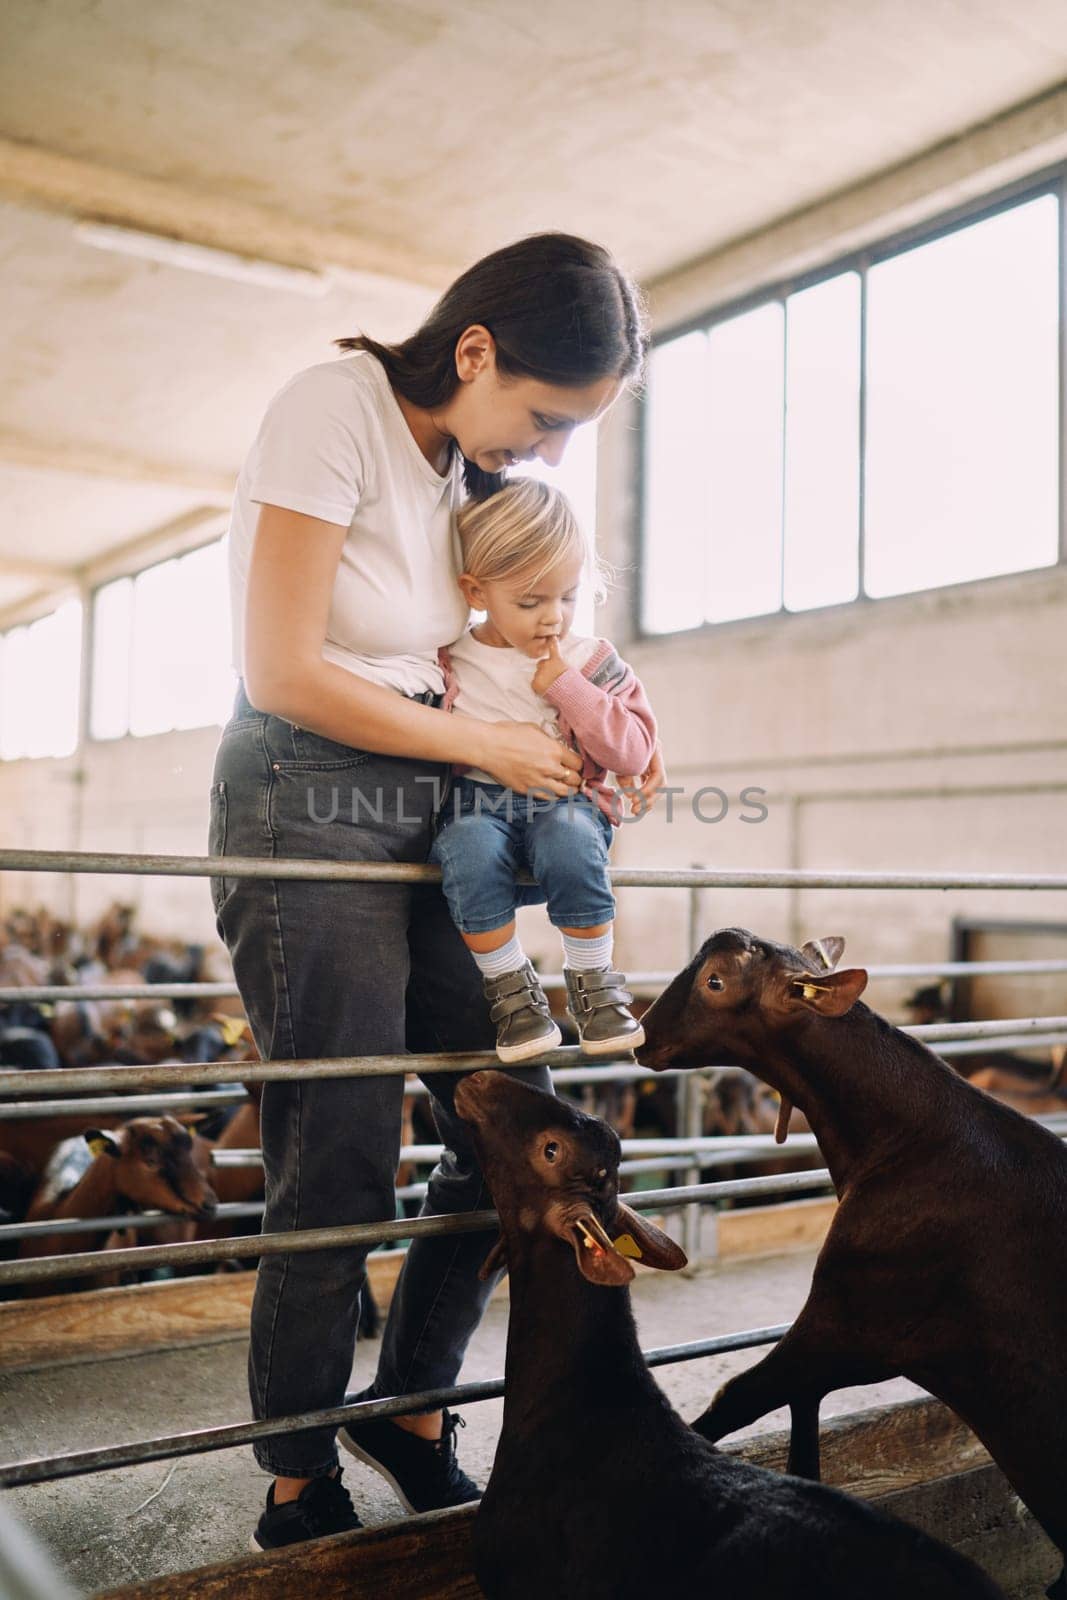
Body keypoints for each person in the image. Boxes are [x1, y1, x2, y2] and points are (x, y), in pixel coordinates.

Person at [207, 233, 663, 1551]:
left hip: (441, 790)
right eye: (546, 416)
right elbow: (283, 667)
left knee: (510, 1119)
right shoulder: (328, 411)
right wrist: (491, 745)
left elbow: (541, 605)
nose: (548, 450)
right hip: (306, 784)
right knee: (341, 1147)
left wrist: (617, 707)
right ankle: (297, 1469)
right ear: (474, 352)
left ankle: (407, 1407)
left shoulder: (473, 467)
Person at [431, 478, 656, 1061]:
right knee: (464, 848)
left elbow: (631, 752)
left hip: (567, 803)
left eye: (568, 597)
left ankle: (594, 987)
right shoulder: (450, 658)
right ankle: (512, 994)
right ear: (476, 590)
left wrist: (567, 687)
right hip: (478, 804)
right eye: (530, 602)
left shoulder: (591, 659)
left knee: (571, 836)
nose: (553, 617)